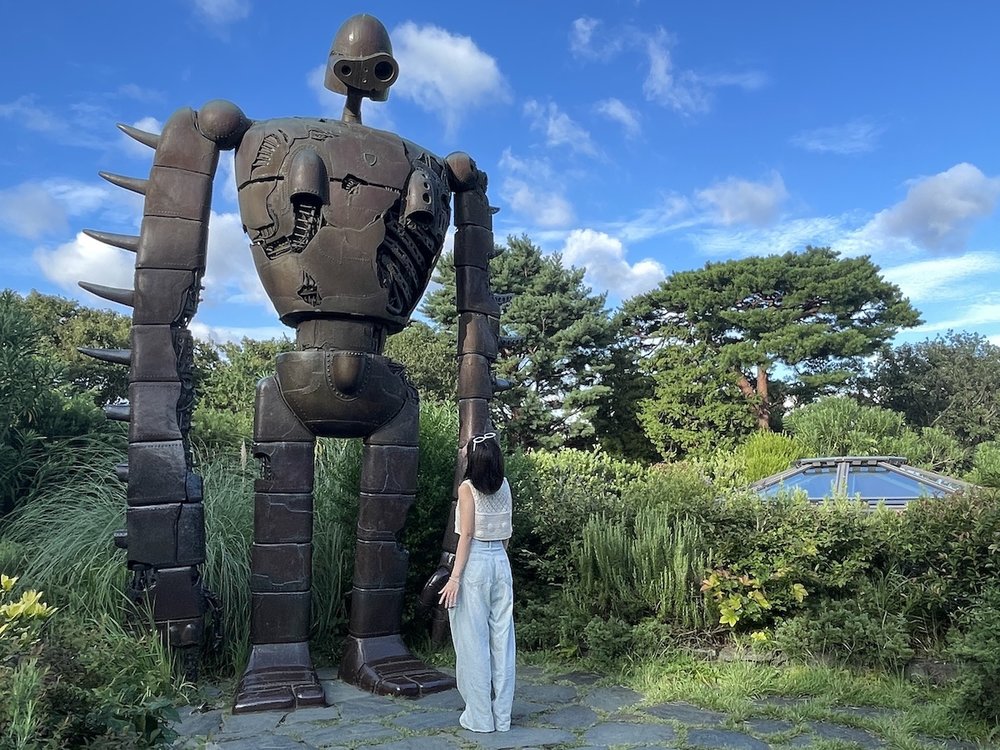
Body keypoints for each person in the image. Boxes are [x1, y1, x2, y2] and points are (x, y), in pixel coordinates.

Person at [438, 432, 515, 732]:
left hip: (476, 564)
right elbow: (507, 530)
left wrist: (455, 577)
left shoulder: (467, 489)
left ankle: (481, 718)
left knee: (474, 643)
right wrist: (501, 563)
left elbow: (466, 535)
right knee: (503, 641)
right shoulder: (504, 486)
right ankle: (503, 718)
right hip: (500, 561)